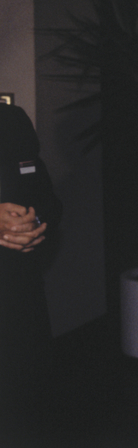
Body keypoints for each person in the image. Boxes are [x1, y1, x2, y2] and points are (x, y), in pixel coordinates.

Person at [0, 102, 62, 428]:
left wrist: (36, 222)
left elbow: (46, 197)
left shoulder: (11, 119)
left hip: (20, 293)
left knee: (27, 408)